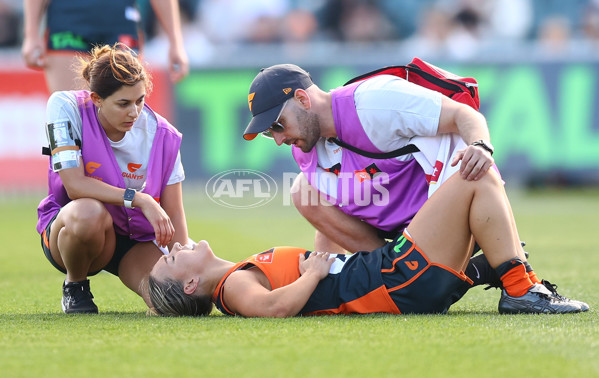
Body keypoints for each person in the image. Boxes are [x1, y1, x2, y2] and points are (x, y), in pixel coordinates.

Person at [241, 63, 576, 302]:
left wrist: (480, 147)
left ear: (302, 99)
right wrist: (322, 279)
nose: (278, 140)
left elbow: (466, 116)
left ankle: (519, 287)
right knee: (303, 191)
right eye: (271, 131)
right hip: (405, 245)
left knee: (475, 165)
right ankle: (418, 275)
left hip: (459, 214)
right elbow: (328, 229)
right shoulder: (307, 150)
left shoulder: (374, 101)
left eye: (278, 125)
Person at [147, 168, 589, 317]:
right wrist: (315, 271)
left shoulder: (239, 273)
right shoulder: (232, 287)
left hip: (390, 277)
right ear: (190, 287)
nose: (171, 250)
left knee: (474, 182)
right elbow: (274, 309)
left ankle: (480, 270)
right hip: (394, 279)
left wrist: (320, 256)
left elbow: (323, 280)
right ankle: (518, 287)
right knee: (474, 174)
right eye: (168, 263)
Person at [36, 43, 190, 314]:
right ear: (96, 99)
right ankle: (75, 286)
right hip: (72, 231)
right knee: (88, 212)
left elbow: (174, 211)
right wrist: (139, 199)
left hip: (134, 242)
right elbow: (75, 185)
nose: (134, 112)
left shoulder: (164, 134)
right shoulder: (64, 106)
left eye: (140, 100)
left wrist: (184, 264)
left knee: (177, 303)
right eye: (123, 103)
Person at [21, 0, 189, 93]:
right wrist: (31, 33)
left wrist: (176, 42)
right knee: (71, 116)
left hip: (119, 20)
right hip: (67, 19)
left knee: (123, 113)